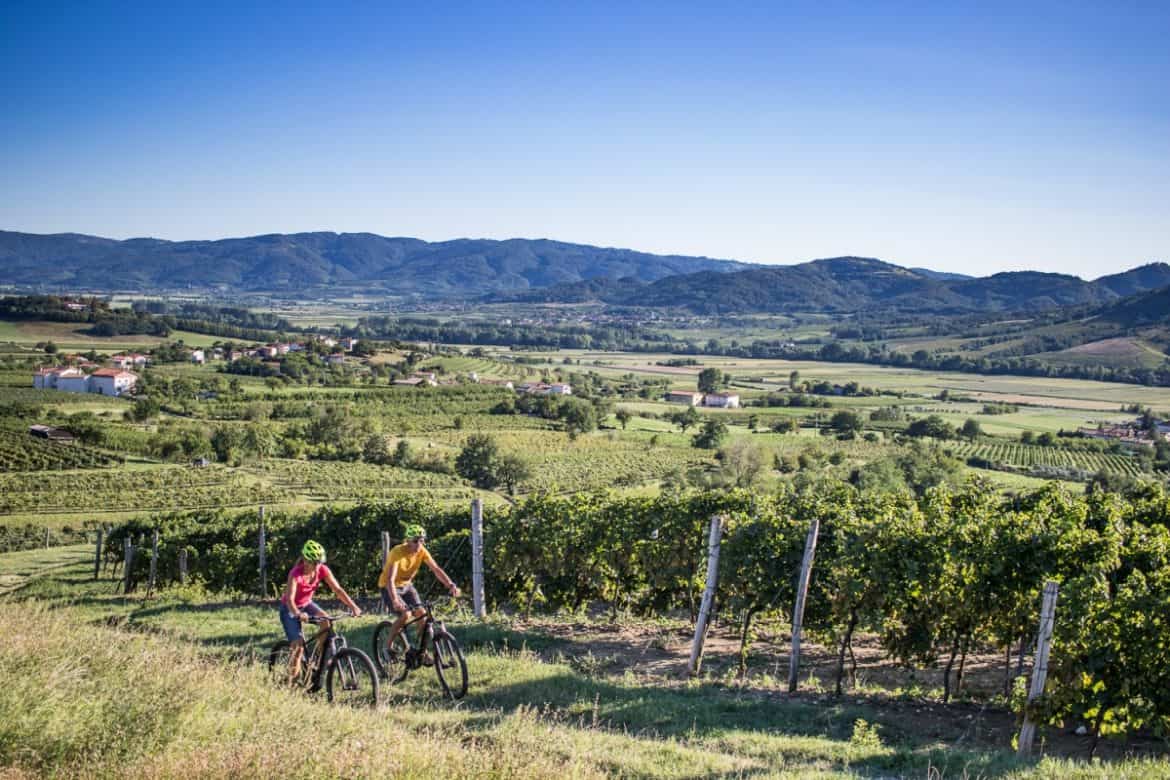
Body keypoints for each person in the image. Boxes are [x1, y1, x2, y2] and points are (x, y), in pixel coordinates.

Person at [279, 539, 362, 683]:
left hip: (306, 604)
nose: (318, 566)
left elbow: (338, 590)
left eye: (320, 562)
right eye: (315, 562)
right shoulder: (295, 573)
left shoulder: (322, 570)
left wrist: (353, 606)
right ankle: (290, 682)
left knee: (326, 620)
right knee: (298, 648)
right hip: (290, 609)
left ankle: (317, 658)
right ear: (305, 560)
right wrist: (298, 614)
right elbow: (290, 599)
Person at [378, 524, 459, 657]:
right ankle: (387, 646)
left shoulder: (422, 551)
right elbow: (390, 580)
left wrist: (450, 584)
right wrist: (395, 600)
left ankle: (423, 651)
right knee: (406, 614)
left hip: (407, 586)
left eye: (421, 540)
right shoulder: (397, 552)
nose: (419, 544)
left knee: (422, 613)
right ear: (407, 540)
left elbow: (436, 569)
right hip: (389, 587)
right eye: (415, 541)